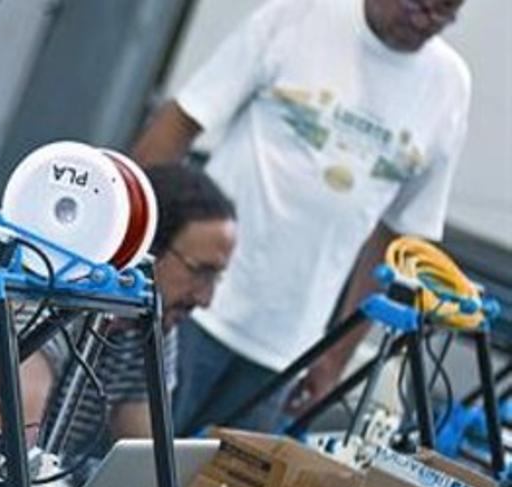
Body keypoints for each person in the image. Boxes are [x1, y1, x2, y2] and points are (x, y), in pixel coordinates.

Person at [133, 0, 471, 434]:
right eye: (417, 5)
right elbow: (182, 120)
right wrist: (129, 253)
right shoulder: (300, 14)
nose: (425, 22)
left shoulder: (450, 87)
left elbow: (399, 244)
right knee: (126, 466)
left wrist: (334, 359)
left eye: (443, 13)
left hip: (287, 351)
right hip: (191, 310)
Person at [0, 164, 236, 475]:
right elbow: (8, 450)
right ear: (145, 255)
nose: (206, 298)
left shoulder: (153, 317)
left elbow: (148, 468)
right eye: (200, 271)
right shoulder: (46, 290)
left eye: (216, 277)